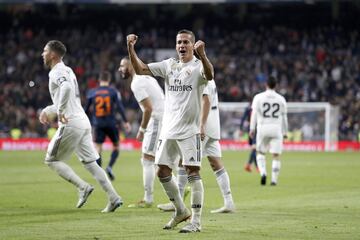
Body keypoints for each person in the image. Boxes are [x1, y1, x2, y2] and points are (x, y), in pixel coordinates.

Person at [127, 29, 214, 233]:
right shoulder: (169, 65)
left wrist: (203, 55)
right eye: (178, 42)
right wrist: (131, 48)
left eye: (185, 42)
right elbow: (140, 69)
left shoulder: (198, 66)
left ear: (193, 45)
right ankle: (181, 211)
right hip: (168, 129)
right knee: (162, 170)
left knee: (193, 172)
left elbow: (210, 75)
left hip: (189, 131)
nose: (181, 45)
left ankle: (197, 221)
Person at [39, 40, 122, 212]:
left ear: (53, 54)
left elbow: (66, 88)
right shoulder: (68, 70)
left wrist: (60, 110)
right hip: (83, 121)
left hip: (71, 122)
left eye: (45, 51)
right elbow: (67, 94)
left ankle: (83, 187)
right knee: (91, 163)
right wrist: (48, 110)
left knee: (52, 160)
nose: (42, 54)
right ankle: (113, 197)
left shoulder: (57, 71)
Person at [157, 80, 235, 214]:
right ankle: (229, 202)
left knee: (184, 160)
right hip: (214, 124)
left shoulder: (201, 78)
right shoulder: (211, 78)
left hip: (203, 125)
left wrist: (201, 125)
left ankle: (178, 200)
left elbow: (206, 101)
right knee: (216, 163)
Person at [118, 56, 164, 208]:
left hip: (156, 119)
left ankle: (148, 199)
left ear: (131, 66)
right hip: (163, 118)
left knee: (147, 159)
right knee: (158, 160)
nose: (120, 69)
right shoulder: (147, 77)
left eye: (122, 66)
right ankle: (178, 188)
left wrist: (142, 129)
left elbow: (149, 108)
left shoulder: (137, 82)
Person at [84, 71, 131, 181]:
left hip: (98, 124)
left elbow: (85, 110)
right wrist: (126, 121)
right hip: (111, 123)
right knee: (116, 146)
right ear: (109, 80)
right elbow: (120, 107)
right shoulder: (113, 92)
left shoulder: (92, 92)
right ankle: (109, 167)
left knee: (98, 148)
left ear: (99, 80)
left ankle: (100, 173)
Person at [249, 76, 288, 186]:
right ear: (276, 85)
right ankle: (274, 180)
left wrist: (252, 128)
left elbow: (254, 115)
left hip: (262, 128)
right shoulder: (281, 99)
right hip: (276, 128)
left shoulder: (258, 97)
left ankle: (263, 173)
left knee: (261, 152)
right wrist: (285, 132)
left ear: (266, 84)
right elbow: (284, 118)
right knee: (276, 155)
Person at [240, 102, 258, 172]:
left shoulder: (248, 107)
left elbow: (243, 118)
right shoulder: (257, 106)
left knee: (253, 148)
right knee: (254, 148)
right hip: (256, 128)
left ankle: (251, 165)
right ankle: (253, 166)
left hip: (249, 128)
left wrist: (241, 129)